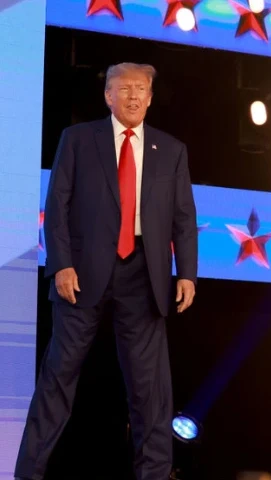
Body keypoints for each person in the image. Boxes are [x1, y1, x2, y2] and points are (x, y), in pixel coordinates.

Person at [17, 63, 198, 480]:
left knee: (150, 392)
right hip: (81, 275)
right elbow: (56, 208)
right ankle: (27, 472)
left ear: (150, 97)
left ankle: (153, 475)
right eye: (124, 88)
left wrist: (186, 271)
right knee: (57, 381)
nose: (133, 96)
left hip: (144, 275)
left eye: (141, 89)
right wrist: (60, 264)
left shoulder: (171, 150)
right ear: (108, 96)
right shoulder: (79, 140)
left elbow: (183, 216)